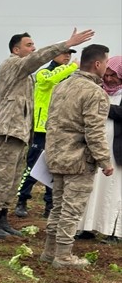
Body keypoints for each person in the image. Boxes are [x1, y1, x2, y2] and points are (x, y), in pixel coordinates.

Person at [0, 27, 94, 239]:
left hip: (19, 133)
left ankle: (2, 219)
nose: (33, 48)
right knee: (3, 178)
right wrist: (66, 44)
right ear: (16, 50)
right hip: (7, 132)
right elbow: (37, 58)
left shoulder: (26, 76)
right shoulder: (12, 65)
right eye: (29, 45)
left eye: (34, 45)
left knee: (13, 179)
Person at [41, 44, 113, 269]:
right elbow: (94, 131)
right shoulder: (95, 93)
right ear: (98, 64)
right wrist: (104, 161)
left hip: (56, 155)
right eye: (106, 62)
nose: (107, 67)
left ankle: (49, 251)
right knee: (71, 210)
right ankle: (63, 256)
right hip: (78, 159)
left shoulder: (62, 86)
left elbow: (51, 122)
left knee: (58, 206)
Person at [14, 51, 78, 218]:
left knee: (55, 168)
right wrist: (72, 67)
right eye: (64, 53)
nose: (67, 57)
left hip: (61, 129)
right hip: (42, 129)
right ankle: (22, 199)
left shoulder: (69, 76)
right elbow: (51, 80)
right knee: (33, 165)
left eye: (69, 54)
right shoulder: (43, 73)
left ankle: (50, 205)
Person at [77, 54, 122, 241]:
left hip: (116, 153)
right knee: (92, 189)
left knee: (114, 192)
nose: (109, 79)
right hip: (96, 150)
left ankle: (113, 231)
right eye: (107, 75)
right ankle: (88, 228)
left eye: (114, 75)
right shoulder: (98, 90)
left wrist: (103, 106)